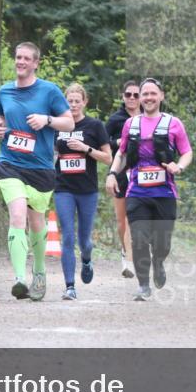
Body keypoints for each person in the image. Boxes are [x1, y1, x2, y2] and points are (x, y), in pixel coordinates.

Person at [0, 42, 74, 301]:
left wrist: (46, 120)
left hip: (40, 167)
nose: (21, 62)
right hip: (10, 163)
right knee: (17, 215)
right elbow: (1, 118)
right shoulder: (4, 91)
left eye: (27, 58)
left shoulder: (49, 91)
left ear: (36, 63)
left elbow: (69, 123)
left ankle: (38, 271)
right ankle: (19, 279)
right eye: (18, 57)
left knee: (36, 221)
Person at [104, 78, 193, 301]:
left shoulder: (173, 123)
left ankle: (159, 262)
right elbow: (122, 153)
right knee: (139, 239)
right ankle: (143, 285)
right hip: (137, 191)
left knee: (162, 243)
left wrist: (179, 166)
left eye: (153, 94)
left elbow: (187, 152)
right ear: (140, 98)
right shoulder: (130, 124)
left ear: (161, 96)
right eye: (145, 94)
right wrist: (112, 174)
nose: (148, 98)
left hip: (164, 192)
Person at [54, 83, 112, 300]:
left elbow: (108, 158)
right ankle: (70, 286)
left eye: (78, 101)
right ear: (65, 103)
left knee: (84, 240)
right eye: (70, 101)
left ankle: (87, 259)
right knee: (67, 236)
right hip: (63, 189)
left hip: (87, 190)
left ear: (85, 102)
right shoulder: (59, 126)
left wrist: (85, 148)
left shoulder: (95, 126)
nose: (74, 104)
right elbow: (51, 153)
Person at [104, 80, 141, 279]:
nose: (132, 98)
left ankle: (131, 257)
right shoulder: (116, 119)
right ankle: (125, 250)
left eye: (136, 95)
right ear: (123, 97)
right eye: (129, 94)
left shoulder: (148, 118)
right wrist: (116, 142)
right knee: (121, 221)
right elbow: (102, 142)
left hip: (141, 172)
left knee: (133, 217)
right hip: (120, 172)